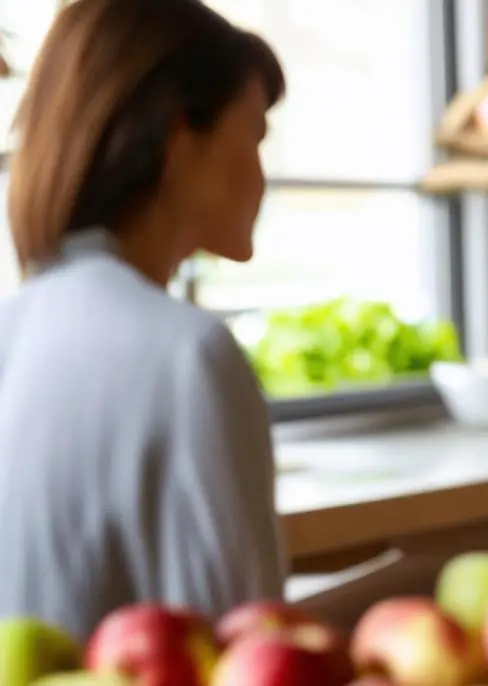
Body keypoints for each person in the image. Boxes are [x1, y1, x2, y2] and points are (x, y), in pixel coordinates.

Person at [0, 0, 288, 641]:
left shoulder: (14, 324)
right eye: (254, 136)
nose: (262, 174)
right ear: (179, 136)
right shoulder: (187, 353)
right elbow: (246, 657)